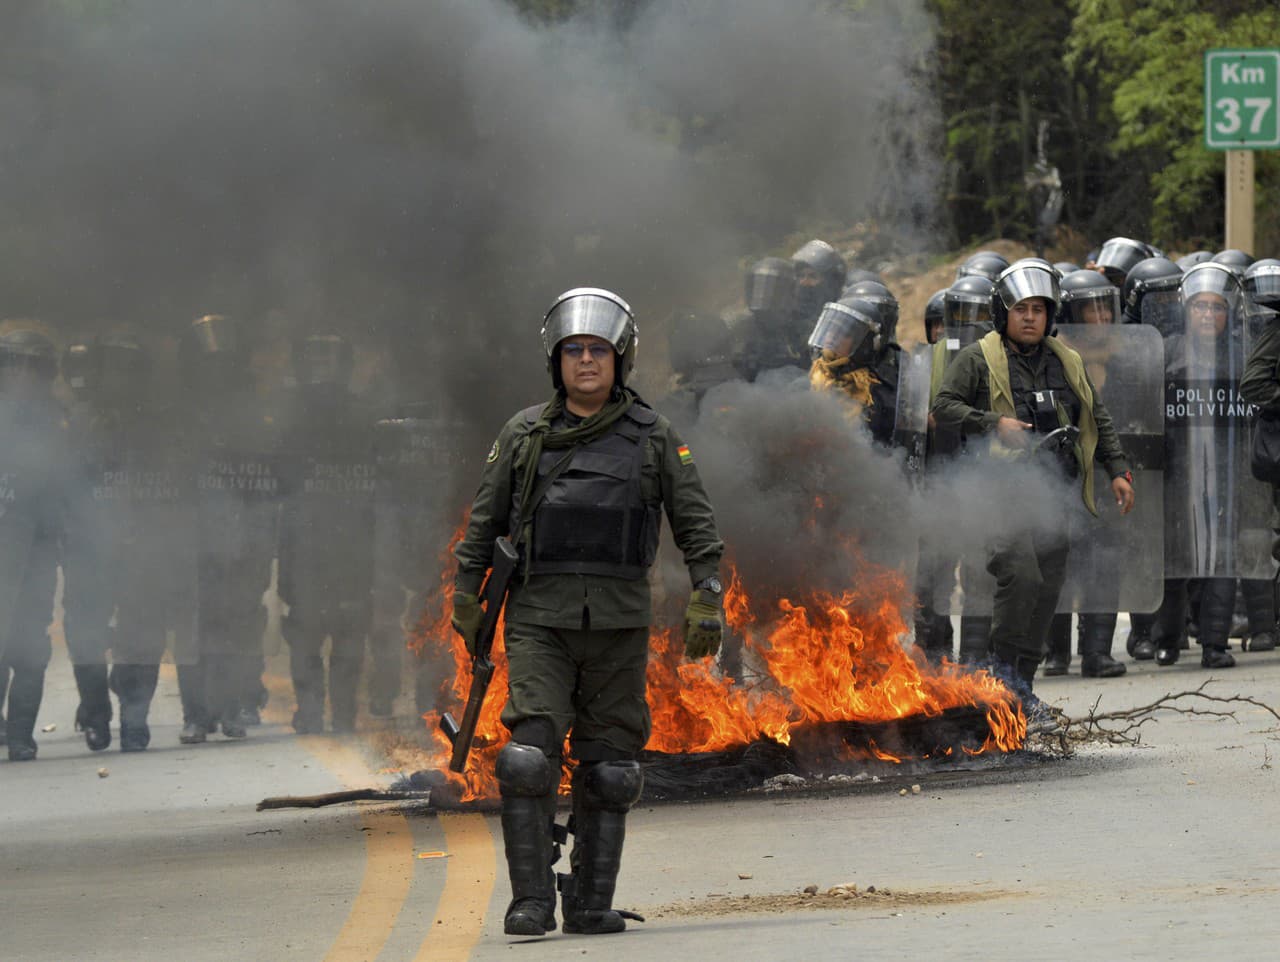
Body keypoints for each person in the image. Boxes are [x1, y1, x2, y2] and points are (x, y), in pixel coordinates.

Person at [452, 288, 724, 937]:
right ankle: (531, 901)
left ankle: (590, 900)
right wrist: (466, 594)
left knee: (611, 767)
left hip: (621, 625)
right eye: (573, 350)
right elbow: (483, 522)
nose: (585, 362)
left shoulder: (655, 438)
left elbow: (697, 525)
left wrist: (708, 597)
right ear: (557, 361)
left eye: (597, 350)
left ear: (619, 358)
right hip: (539, 619)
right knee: (527, 758)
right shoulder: (523, 435)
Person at [931, 259, 1134, 716]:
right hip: (1000, 494)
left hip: (1054, 495)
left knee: (1047, 590)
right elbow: (943, 406)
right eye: (1021, 308)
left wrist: (1118, 470)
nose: (1029, 317)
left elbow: (1095, 417)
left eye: (1038, 309)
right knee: (1022, 578)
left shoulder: (1067, 361)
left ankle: (1021, 684)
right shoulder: (978, 358)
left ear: (1050, 314)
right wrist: (991, 422)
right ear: (1003, 312)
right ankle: (999, 682)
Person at [61, 336, 194, 752]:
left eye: (125, 371)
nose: (117, 380)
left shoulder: (158, 430)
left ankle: (134, 717)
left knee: (141, 634)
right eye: (111, 370)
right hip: (92, 549)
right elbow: (59, 489)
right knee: (89, 634)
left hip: (140, 550)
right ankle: (99, 714)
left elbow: (172, 490)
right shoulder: (74, 427)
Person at [184, 314, 285, 743]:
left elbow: (277, 479)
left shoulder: (260, 415)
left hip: (247, 537)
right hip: (200, 539)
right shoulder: (187, 416)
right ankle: (200, 712)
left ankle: (236, 703)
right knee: (203, 624)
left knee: (238, 620)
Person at [279, 334, 377, 733]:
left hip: (343, 545)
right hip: (310, 544)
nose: (323, 369)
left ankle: (335, 714)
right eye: (316, 359)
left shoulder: (360, 418)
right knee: (311, 635)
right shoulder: (293, 417)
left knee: (342, 635)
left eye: (330, 359)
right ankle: (319, 712)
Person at [0, 330, 72, 761]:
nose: (21, 374)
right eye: (13, 364)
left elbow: (70, 487)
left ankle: (21, 732)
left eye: (31, 366)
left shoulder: (56, 422)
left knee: (29, 643)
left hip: (36, 552)